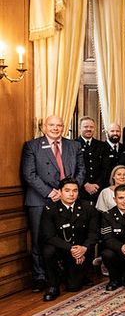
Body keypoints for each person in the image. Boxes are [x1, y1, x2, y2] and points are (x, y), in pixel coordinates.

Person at [22, 115, 85, 291]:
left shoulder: (74, 145)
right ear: (44, 127)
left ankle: (67, 273)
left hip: (68, 198)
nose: (55, 128)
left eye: (59, 125)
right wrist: (50, 192)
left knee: (69, 235)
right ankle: (40, 277)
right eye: (52, 125)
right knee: (38, 239)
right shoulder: (32, 146)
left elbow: (81, 170)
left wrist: (69, 191)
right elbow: (29, 174)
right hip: (40, 199)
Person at [40, 178, 99, 301]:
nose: (71, 194)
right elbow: (49, 236)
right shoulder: (50, 209)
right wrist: (71, 248)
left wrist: (84, 248)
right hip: (62, 249)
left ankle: (69, 274)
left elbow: (94, 234)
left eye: (75, 191)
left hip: (80, 251)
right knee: (48, 251)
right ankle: (53, 285)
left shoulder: (88, 207)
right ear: (60, 192)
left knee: (73, 287)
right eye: (67, 191)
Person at [76, 116, 111, 203]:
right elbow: (73, 168)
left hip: (99, 189)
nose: (89, 129)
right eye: (85, 127)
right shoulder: (73, 145)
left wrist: (97, 184)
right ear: (80, 128)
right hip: (80, 190)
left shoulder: (102, 146)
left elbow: (106, 168)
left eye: (91, 127)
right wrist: (86, 184)